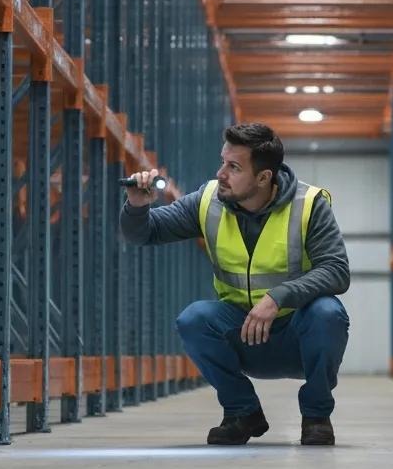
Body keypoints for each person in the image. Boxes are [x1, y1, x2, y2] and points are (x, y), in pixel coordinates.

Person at [120, 122, 351, 446]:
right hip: (242, 333)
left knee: (328, 313)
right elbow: (144, 233)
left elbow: (337, 269)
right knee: (194, 319)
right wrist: (137, 206)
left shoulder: (309, 205)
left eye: (234, 167)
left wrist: (277, 298)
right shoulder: (208, 200)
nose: (221, 174)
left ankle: (316, 416)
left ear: (263, 177)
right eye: (223, 162)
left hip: (297, 338)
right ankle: (242, 413)